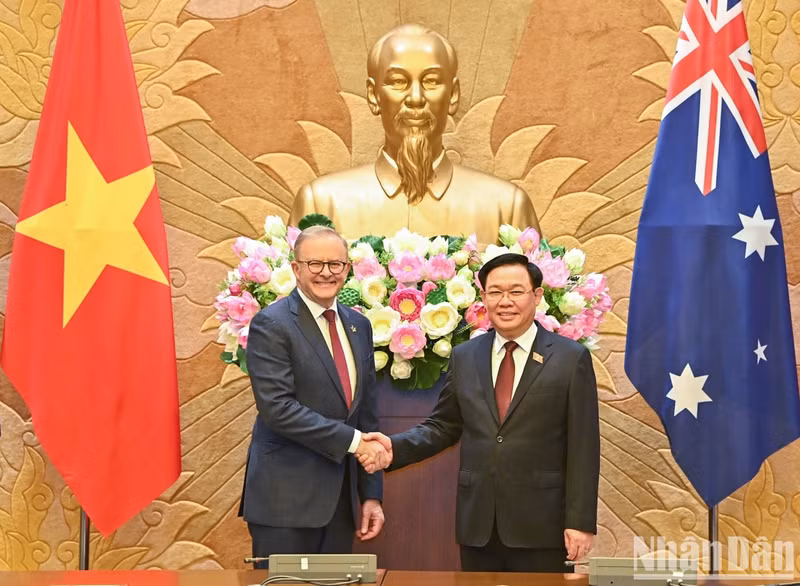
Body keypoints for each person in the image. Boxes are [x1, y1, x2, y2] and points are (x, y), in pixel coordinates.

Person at [360, 253, 600, 572]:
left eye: (516, 291)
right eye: (495, 292)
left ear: (537, 296)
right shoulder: (466, 356)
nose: (505, 301)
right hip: (479, 526)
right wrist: (396, 447)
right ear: (483, 297)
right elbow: (444, 426)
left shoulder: (570, 359)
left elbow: (584, 447)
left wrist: (581, 521)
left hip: (542, 525)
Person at [288, 24, 539, 245]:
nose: (416, 99)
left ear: (452, 95)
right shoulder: (321, 204)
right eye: (398, 82)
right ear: (374, 96)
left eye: (431, 81)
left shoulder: (506, 208)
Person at [239, 225, 389, 566]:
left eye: (335, 264)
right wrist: (354, 442)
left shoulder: (359, 325)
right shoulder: (272, 324)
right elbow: (278, 409)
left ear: (347, 269)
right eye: (315, 264)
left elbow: (366, 414)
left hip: (341, 504)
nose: (326, 272)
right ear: (296, 269)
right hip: (285, 504)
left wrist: (371, 495)